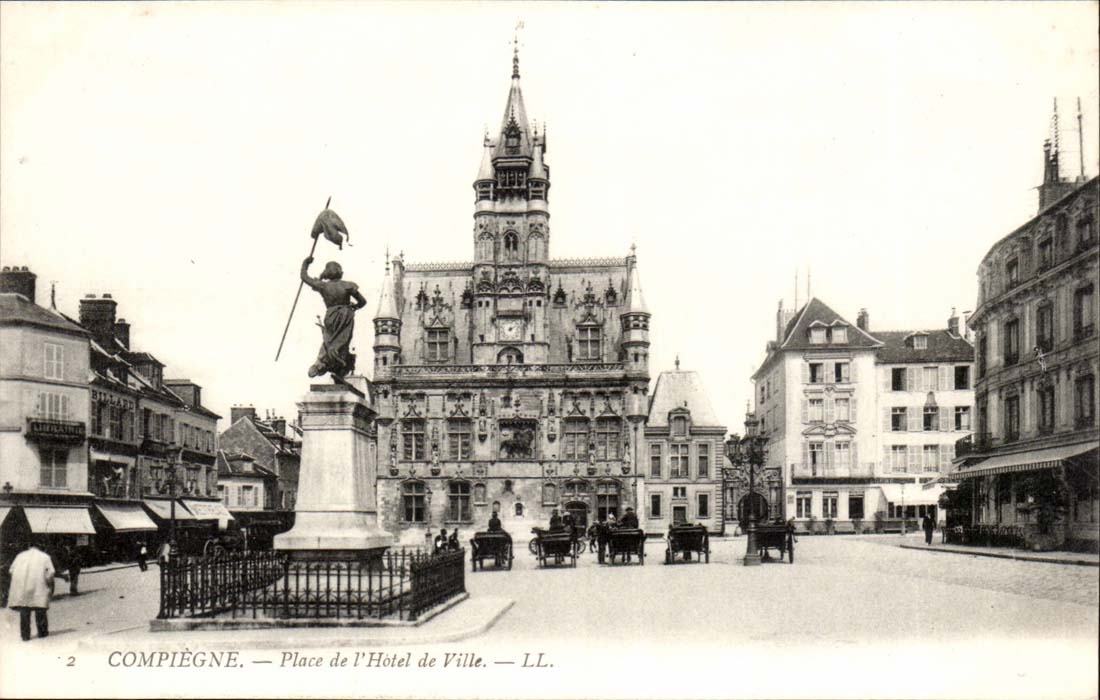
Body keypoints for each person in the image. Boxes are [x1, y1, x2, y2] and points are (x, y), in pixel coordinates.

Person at [300, 257, 367, 381]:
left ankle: (321, 364)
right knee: (342, 342)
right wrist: (355, 307)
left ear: (327, 273)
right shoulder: (348, 285)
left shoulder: (323, 286)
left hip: (331, 315)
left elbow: (304, 277)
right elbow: (363, 302)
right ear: (340, 272)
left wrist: (306, 263)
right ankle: (339, 367)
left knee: (329, 341)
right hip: (346, 316)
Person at [7, 540, 55, 641]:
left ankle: (25, 635)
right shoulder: (45, 557)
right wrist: (47, 581)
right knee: (40, 610)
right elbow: (51, 572)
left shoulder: (20, 556)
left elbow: (11, 570)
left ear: (29, 546)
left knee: (24, 611)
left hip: (23, 588)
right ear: (40, 546)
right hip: (39, 587)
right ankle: (42, 633)